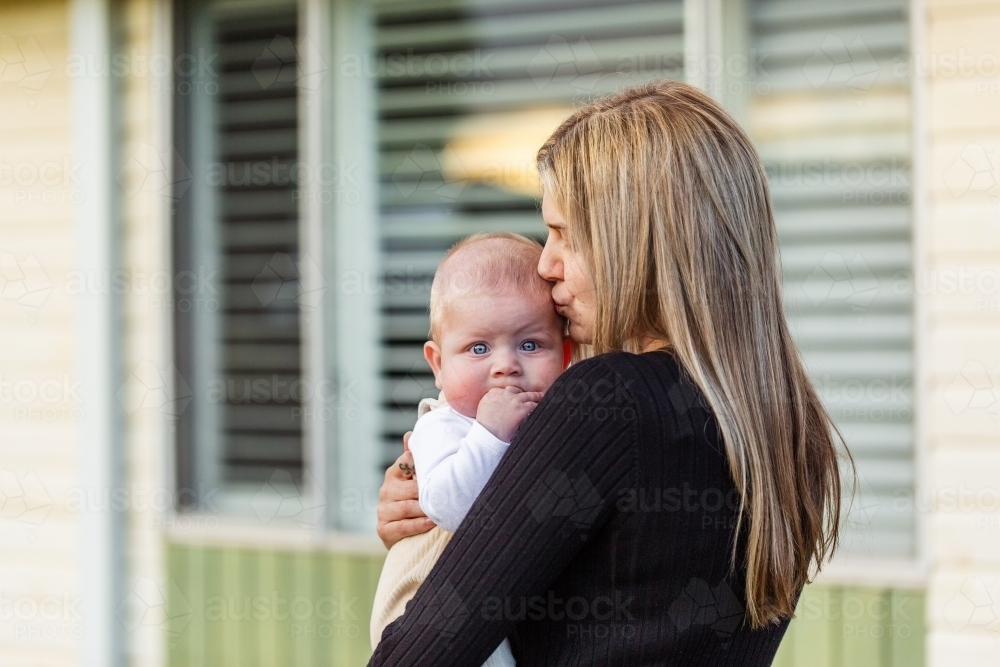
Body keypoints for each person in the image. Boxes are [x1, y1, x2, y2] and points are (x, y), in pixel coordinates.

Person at [370, 80, 846, 666]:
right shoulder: (789, 422)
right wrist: (441, 513)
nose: (546, 264)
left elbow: (416, 657)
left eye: (563, 233)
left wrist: (426, 547)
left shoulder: (607, 400)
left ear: (634, 239)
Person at [369, 232, 568, 667]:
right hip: (421, 606)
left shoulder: (551, 417)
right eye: (478, 348)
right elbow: (455, 508)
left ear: (566, 353)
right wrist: (491, 432)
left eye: (530, 345)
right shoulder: (443, 426)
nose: (506, 365)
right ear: (437, 364)